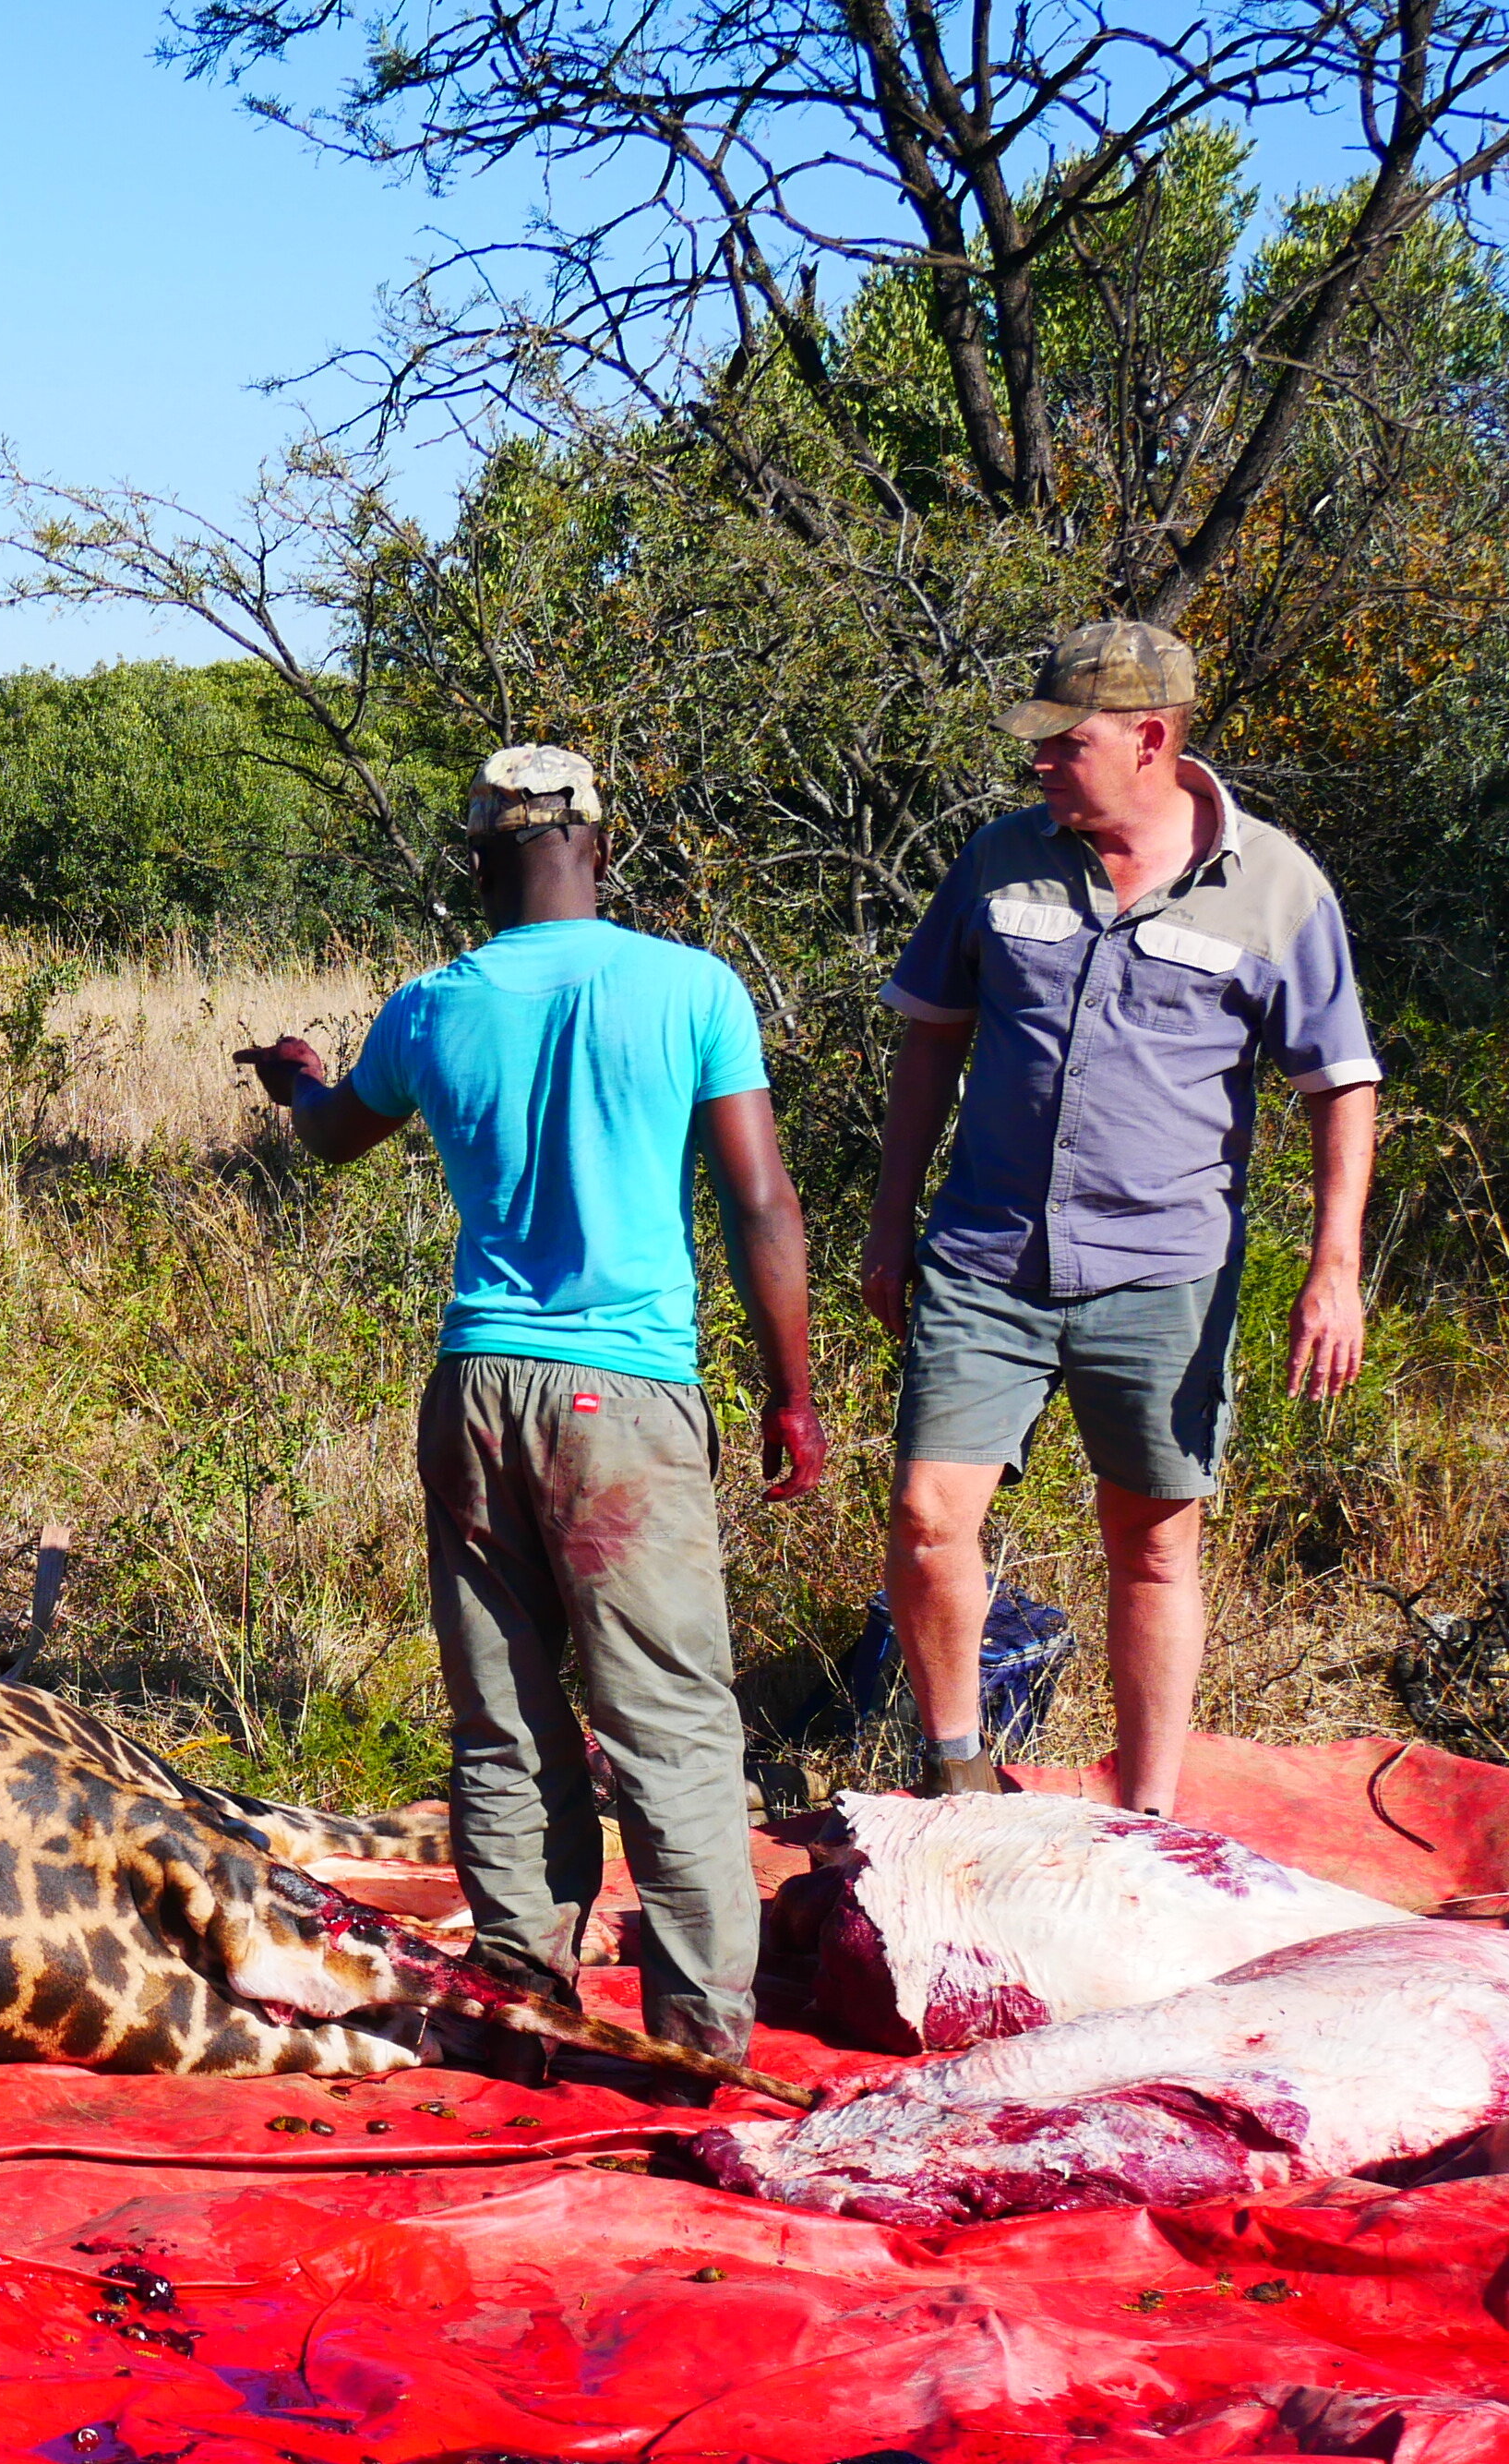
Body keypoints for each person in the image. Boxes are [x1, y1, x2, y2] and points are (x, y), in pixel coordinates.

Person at [243, 745, 823, 2066]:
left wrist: (295, 1081)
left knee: (505, 1710)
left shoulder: (436, 1007)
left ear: (477, 864)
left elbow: (336, 1136)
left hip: (479, 1389)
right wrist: (793, 1396)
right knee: (669, 1715)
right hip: (628, 1396)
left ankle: (518, 1991)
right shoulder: (692, 990)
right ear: (603, 850)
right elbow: (761, 1206)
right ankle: (695, 2035)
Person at [867, 619, 1378, 1811]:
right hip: (989, 1256)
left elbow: (1340, 1080)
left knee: (1152, 1546)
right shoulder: (999, 861)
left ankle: (1147, 1818)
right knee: (928, 1516)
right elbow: (930, 1041)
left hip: (1165, 1273)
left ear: (1150, 739)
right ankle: (956, 1774)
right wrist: (892, 1222)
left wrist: (1334, 1266)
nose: (1039, 761)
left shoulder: (1278, 886)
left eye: (1066, 740)